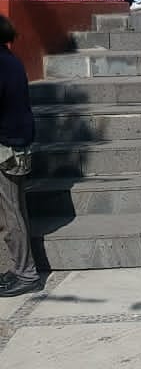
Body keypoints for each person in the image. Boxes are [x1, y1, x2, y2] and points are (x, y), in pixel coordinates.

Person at [0, 15, 39, 297]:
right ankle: (20, 269)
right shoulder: (9, 60)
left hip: (8, 147)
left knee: (11, 212)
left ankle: (26, 273)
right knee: (14, 209)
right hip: (16, 142)